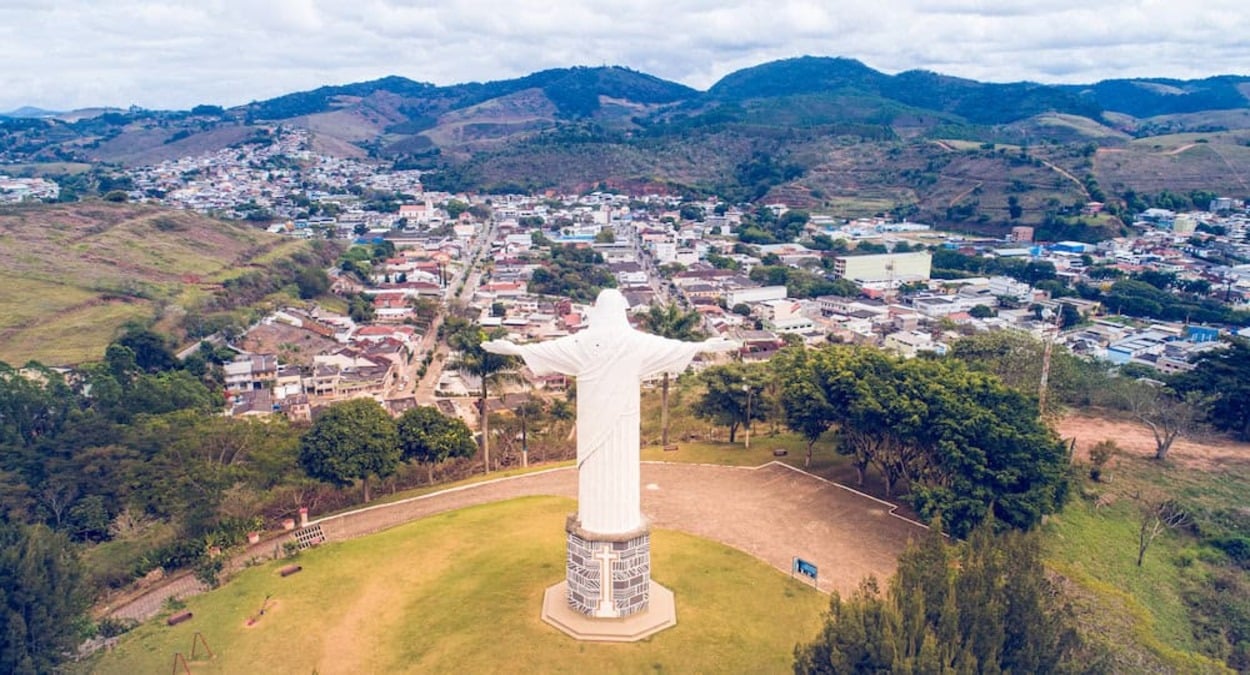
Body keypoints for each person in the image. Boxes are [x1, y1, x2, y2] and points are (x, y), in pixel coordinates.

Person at [484, 289, 737, 534]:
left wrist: (515, 349)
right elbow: (674, 348)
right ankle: (605, 522)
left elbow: (545, 350)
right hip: (618, 422)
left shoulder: (581, 343)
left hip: (605, 422)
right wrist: (704, 346)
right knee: (608, 474)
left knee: (608, 476)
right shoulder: (635, 342)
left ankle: (605, 523)